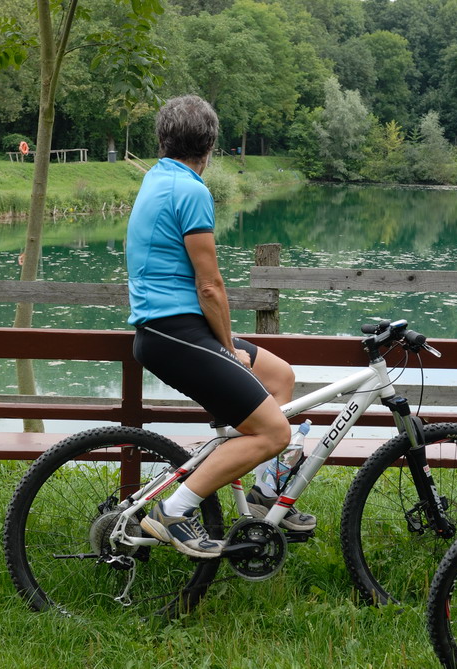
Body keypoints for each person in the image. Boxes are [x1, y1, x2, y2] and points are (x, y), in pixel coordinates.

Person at [129, 95, 314, 559]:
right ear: (210, 145)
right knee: (274, 433)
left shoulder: (157, 178)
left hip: (171, 331)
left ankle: (265, 492)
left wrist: (227, 344)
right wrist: (229, 345)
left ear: (163, 139)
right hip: (175, 333)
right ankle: (174, 510)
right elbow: (209, 285)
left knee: (280, 376)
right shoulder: (191, 190)